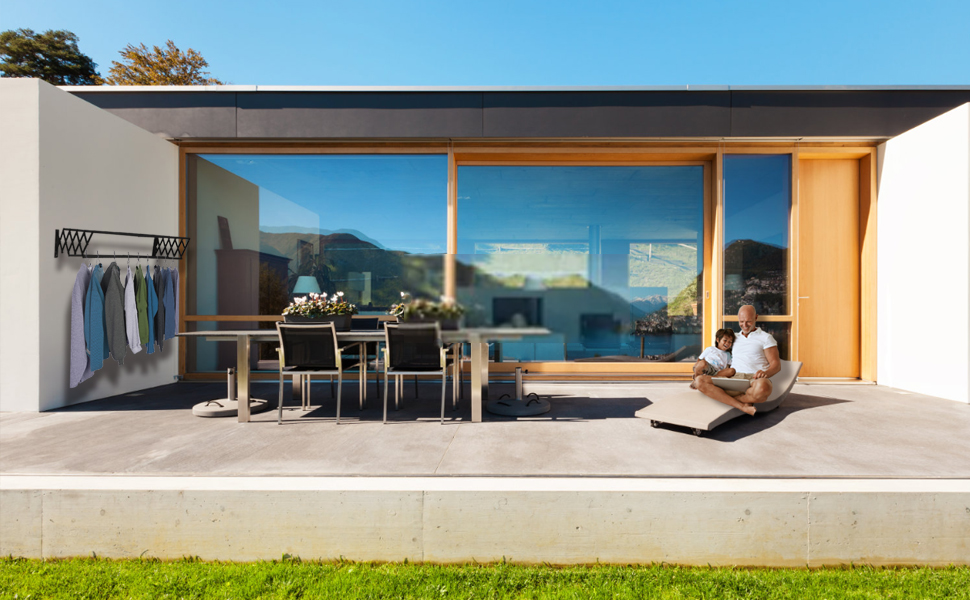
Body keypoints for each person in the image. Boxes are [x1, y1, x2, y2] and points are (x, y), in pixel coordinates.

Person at [695, 305, 780, 416]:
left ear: (756, 318)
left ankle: (725, 398)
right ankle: (743, 405)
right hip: (734, 377)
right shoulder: (733, 338)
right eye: (741, 321)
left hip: (755, 379)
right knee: (700, 381)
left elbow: (776, 365)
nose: (744, 325)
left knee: (763, 389)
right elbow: (718, 352)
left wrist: (765, 373)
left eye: (748, 322)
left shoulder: (766, 338)